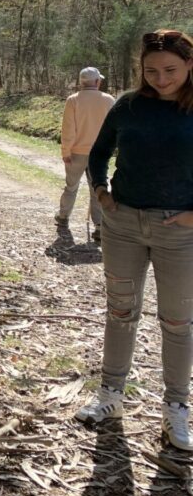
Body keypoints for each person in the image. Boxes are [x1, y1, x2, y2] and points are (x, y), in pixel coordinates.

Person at [75, 29, 193, 452]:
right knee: (120, 312)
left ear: (189, 65)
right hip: (123, 224)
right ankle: (110, 396)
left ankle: (176, 409)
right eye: (151, 70)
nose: (161, 78)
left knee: (178, 323)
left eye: (171, 70)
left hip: (179, 233)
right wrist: (101, 190)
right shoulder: (128, 105)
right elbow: (99, 151)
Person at [55, 67, 115, 242]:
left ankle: (64, 217)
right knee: (98, 189)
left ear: (82, 82)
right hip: (100, 154)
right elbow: (113, 129)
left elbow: (68, 129)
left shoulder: (73, 100)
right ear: (97, 82)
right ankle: (99, 225)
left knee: (71, 187)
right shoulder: (109, 100)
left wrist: (66, 151)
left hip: (77, 153)